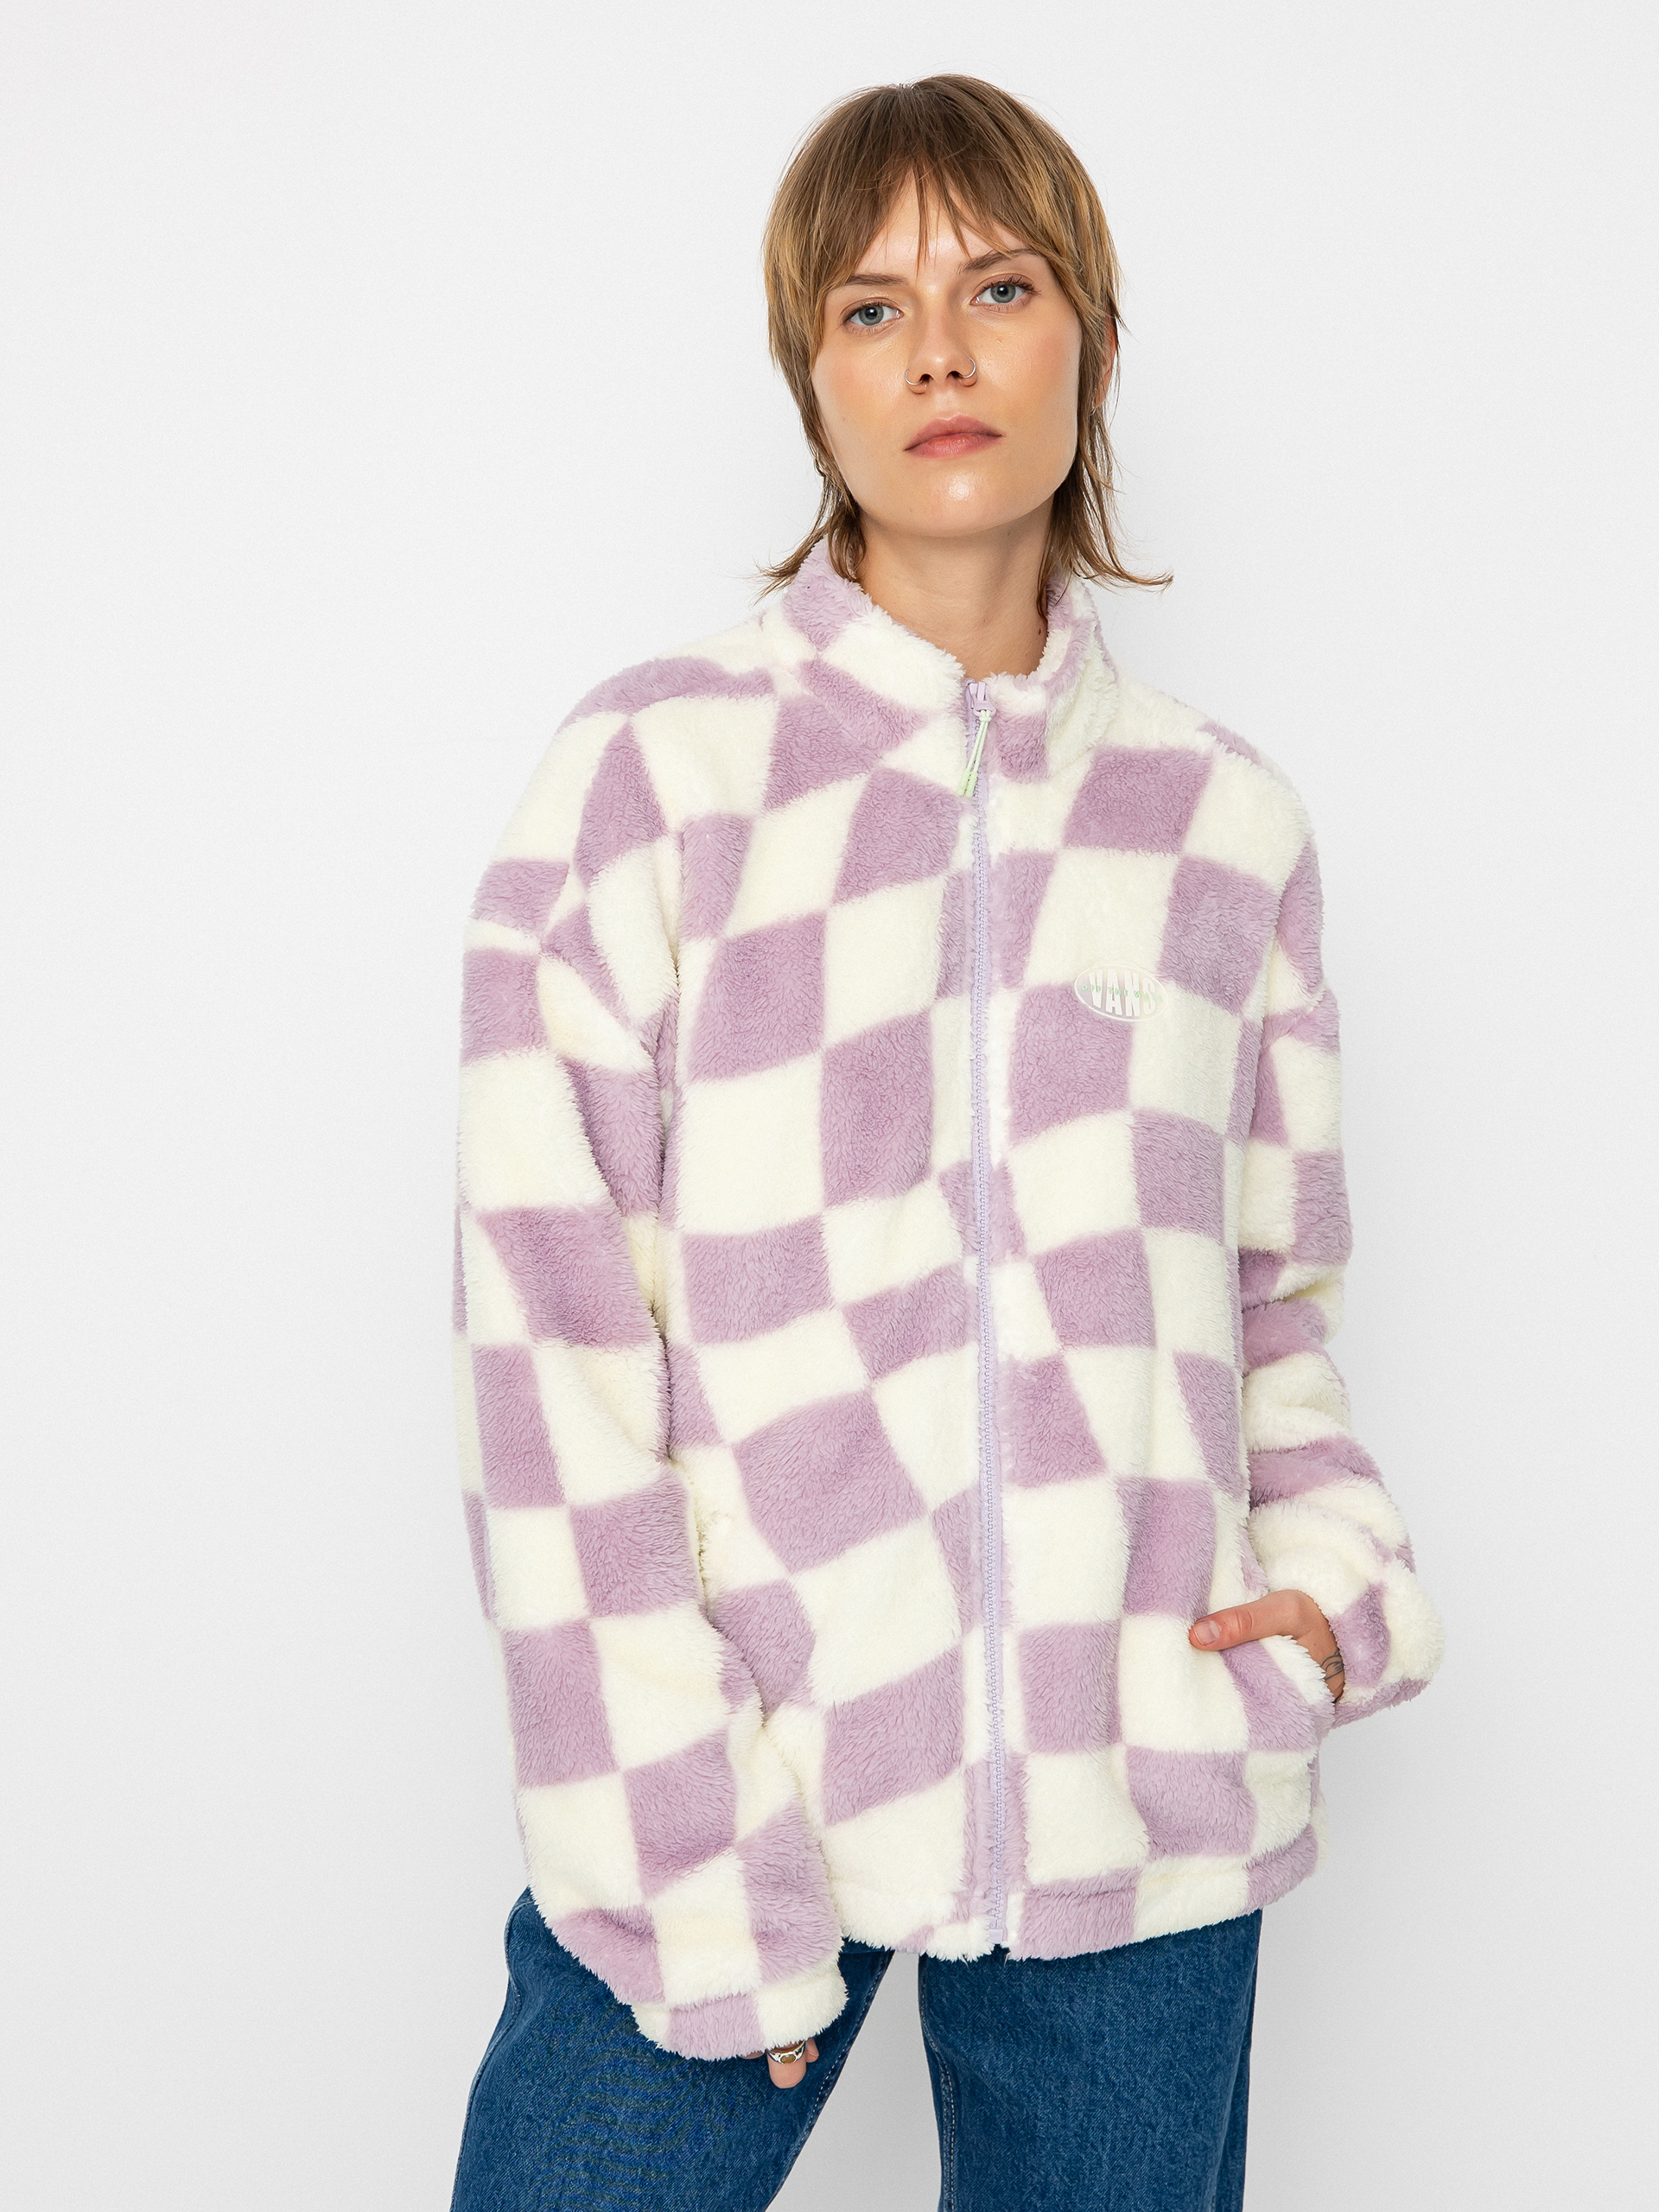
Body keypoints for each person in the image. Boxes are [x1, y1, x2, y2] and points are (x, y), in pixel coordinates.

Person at [446, 73, 1443, 2212]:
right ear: (810, 378)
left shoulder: (1224, 826)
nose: (939, 354)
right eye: (871, 308)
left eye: (998, 288)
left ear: (1091, 337)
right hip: (740, 1786)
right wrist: (681, 1840)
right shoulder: (649, 781)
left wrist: (1330, 1596)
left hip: (1142, 1803)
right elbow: (549, 1362)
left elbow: (1276, 1308)